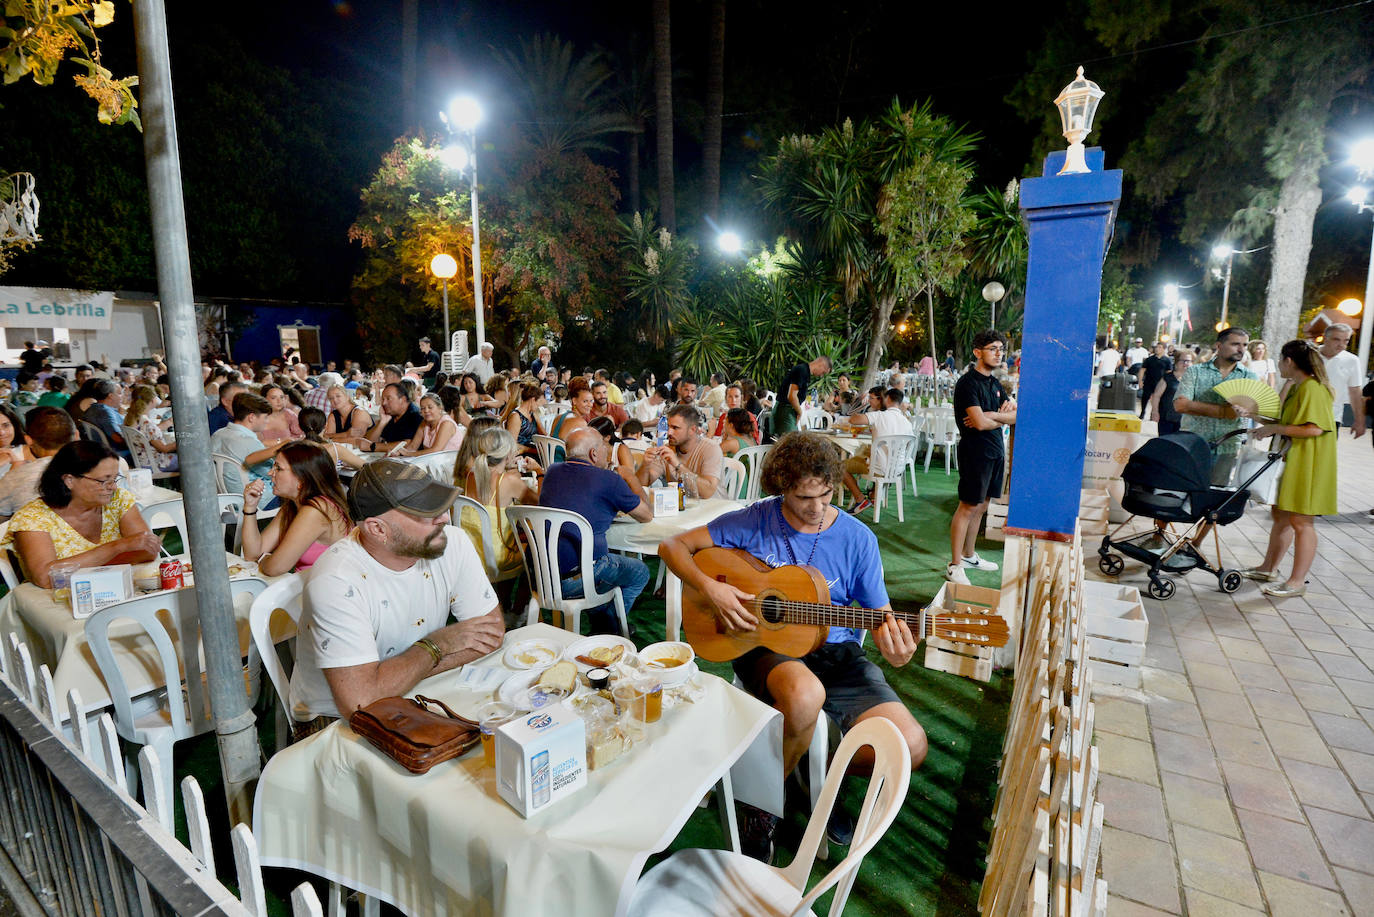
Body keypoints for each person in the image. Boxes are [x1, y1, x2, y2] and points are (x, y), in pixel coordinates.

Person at [657, 432, 926, 861]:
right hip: (761, 644)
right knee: (805, 695)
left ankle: (812, 769)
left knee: (909, 745)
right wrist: (712, 590)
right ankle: (762, 804)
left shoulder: (858, 539)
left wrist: (897, 649)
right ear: (781, 487)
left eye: (826, 495)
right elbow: (672, 546)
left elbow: (882, 618)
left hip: (835, 651)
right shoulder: (753, 519)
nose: (817, 509)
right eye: (803, 498)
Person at [287, 460, 505, 734]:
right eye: (425, 512)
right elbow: (360, 702)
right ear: (378, 529)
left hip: (419, 694)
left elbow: (492, 632)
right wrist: (438, 644)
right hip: (334, 721)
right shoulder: (337, 580)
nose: (444, 518)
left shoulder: (452, 542)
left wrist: (397, 676)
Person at [1239, 340, 1337, 598]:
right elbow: (1286, 421)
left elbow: (1314, 428)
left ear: (1289, 361)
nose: (1279, 365)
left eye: (1281, 360)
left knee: (1302, 520)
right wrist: (1257, 417)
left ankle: (1296, 581)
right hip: (1294, 459)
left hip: (1309, 461)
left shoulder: (1312, 389)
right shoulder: (1298, 387)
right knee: (1281, 515)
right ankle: (1269, 568)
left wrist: (1274, 429)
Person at [539, 428, 653, 636]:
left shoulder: (552, 472)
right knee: (639, 571)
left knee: (602, 564)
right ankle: (609, 629)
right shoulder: (609, 480)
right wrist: (632, 478)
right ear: (593, 453)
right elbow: (646, 515)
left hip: (543, 574)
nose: (607, 451)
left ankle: (603, 620)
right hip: (578, 578)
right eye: (603, 446)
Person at [1, 441, 161, 587]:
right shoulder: (32, 517)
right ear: (69, 480)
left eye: (114, 479)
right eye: (103, 481)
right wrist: (118, 547)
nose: (112, 487)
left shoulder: (118, 499)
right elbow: (45, 577)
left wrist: (81, 569)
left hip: (111, 589)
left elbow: (147, 550)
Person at [948, 330, 1015, 585]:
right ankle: (955, 565)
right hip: (975, 452)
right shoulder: (968, 384)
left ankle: (968, 555)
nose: (999, 353)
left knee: (983, 506)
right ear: (978, 352)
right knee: (967, 507)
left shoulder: (995, 384)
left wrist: (993, 416)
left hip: (995, 451)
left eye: (1001, 349)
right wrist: (995, 417)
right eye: (993, 348)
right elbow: (976, 422)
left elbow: (1015, 416)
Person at [241, 441, 354, 576]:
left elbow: (275, 567)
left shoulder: (317, 510)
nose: (271, 473)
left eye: (278, 468)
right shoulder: (292, 506)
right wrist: (250, 507)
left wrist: (264, 559)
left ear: (301, 479)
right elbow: (253, 554)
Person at [1174, 327, 1255, 486]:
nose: (1241, 349)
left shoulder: (1249, 376)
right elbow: (1180, 405)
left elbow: (1249, 410)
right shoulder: (1195, 372)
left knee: (1214, 498)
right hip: (1193, 443)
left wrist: (1196, 406)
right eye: (1235, 344)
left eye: (1245, 345)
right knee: (1186, 491)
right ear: (1218, 346)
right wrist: (1223, 411)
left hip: (1227, 446)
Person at [459, 426, 539, 585]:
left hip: (469, 553)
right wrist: (539, 470)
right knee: (536, 549)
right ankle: (519, 607)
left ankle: (505, 600)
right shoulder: (508, 482)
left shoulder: (469, 475)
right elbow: (542, 503)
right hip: (496, 559)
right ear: (508, 454)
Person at [840, 388, 913, 514]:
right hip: (897, 470)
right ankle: (874, 495)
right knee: (870, 454)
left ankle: (860, 499)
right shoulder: (907, 422)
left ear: (887, 399)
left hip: (878, 469)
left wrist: (862, 405)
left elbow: (853, 420)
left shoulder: (879, 416)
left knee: (839, 467)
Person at [210, 393, 285, 507]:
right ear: (251, 417)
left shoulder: (217, 434)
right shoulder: (247, 441)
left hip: (226, 500)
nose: (267, 421)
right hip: (255, 501)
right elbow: (272, 473)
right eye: (265, 417)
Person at [0, 409, 77, 520]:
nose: (2, 432)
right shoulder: (97, 462)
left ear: (29, 440)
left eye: (6, 425)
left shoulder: (17, 474)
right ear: (75, 435)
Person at [638, 404, 723, 499]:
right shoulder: (668, 449)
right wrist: (645, 466)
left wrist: (677, 465)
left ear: (692, 430)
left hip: (715, 508)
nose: (669, 432)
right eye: (668, 427)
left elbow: (707, 492)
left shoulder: (711, 448)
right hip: (684, 509)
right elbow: (641, 487)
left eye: (675, 428)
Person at [1316, 323, 1367, 438]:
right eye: (1336, 340)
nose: (1341, 345)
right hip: (1303, 413)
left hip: (1332, 416)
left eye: (1346, 341)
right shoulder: (1310, 354)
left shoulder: (1352, 360)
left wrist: (1359, 421)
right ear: (1325, 338)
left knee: (1326, 455)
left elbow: (1355, 391)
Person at [770, 355, 832, 438]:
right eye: (823, 372)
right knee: (788, 444)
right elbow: (791, 396)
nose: (821, 375)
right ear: (820, 364)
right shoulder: (802, 370)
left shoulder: (805, 372)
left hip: (789, 411)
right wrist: (800, 412)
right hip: (785, 410)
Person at [123, 385, 178, 471]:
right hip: (156, 463)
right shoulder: (147, 423)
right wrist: (182, 441)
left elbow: (147, 432)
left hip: (142, 461)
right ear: (153, 400)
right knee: (189, 459)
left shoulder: (131, 417)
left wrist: (168, 422)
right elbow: (164, 448)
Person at [357, 383, 423, 453]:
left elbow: (406, 444)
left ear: (402, 399)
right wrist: (382, 423)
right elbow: (367, 443)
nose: (384, 403)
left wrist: (374, 446)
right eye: (383, 399)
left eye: (388, 398)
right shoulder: (392, 415)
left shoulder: (415, 416)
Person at [297, 407, 365, 471]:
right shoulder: (334, 449)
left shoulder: (292, 447)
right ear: (326, 425)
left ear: (300, 426)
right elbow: (365, 466)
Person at [393, 392, 463, 455]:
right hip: (433, 461)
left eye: (430, 407)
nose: (426, 411)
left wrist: (407, 454)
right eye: (423, 408)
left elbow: (436, 450)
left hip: (450, 463)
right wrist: (398, 452)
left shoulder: (447, 424)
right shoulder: (424, 423)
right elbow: (413, 446)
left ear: (440, 408)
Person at [81, 380, 130, 460]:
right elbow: (117, 438)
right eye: (119, 393)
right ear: (110, 396)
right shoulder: (105, 411)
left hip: (99, 450)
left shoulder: (92, 408)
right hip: (113, 453)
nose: (122, 396)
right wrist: (136, 443)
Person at [1148, 350, 1194, 434]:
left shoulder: (1193, 379)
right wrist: (1155, 412)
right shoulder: (1168, 378)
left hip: (1184, 420)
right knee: (1166, 443)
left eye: (1188, 361)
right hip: (1167, 418)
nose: (1186, 363)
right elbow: (1156, 396)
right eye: (1183, 360)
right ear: (1176, 362)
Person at [503, 382, 542, 457]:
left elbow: (545, 436)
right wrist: (530, 450)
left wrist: (537, 418)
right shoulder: (516, 416)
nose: (539, 405)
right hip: (519, 454)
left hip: (531, 452)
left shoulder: (532, 414)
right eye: (539, 402)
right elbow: (512, 443)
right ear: (533, 400)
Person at [1138, 342, 1173, 419]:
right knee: (1145, 397)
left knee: (1157, 399)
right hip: (1148, 382)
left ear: (1164, 349)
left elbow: (1169, 372)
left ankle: (1153, 413)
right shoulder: (1149, 359)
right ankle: (1143, 412)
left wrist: (1168, 383)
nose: (1157, 349)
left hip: (1160, 383)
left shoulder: (1167, 360)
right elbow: (1142, 370)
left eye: (1160, 347)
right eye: (1156, 347)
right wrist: (1140, 381)